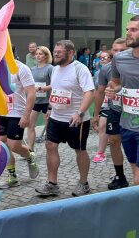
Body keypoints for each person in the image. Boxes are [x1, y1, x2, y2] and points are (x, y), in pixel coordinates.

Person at [35, 40, 94, 197]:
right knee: (50, 146)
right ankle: (52, 184)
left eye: (59, 52)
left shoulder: (80, 69)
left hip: (76, 119)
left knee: (79, 150)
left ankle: (84, 183)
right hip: (56, 117)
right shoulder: (55, 70)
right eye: (54, 52)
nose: (55, 54)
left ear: (70, 53)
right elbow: (55, 90)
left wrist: (80, 113)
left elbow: (89, 92)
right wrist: (49, 108)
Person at [106, 15, 139, 186]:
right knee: (134, 170)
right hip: (127, 123)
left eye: (133, 30)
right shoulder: (119, 58)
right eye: (127, 29)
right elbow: (116, 83)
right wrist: (112, 89)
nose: (128, 33)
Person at [0, 58, 38, 189]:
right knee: (3, 145)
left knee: (14, 146)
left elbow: (31, 92)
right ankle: (12, 177)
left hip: (17, 113)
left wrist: (26, 115)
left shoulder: (21, 68)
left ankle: (30, 156)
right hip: (0, 112)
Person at [93, 38, 129, 189]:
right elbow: (100, 92)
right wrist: (96, 114)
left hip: (133, 112)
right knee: (114, 142)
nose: (118, 53)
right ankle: (120, 176)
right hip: (115, 110)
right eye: (115, 50)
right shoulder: (106, 69)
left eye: (122, 50)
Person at [27, 46, 53, 152]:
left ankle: (50, 150)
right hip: (35, 101)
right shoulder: (32, 69)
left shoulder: (50, 68)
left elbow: (54, 85)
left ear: (46, 56)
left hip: (47, 101)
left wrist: (42, 88)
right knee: (30, 125)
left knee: (48, 128)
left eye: (40, 54)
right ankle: (30, 150)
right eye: (37, 54)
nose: (38, 56)